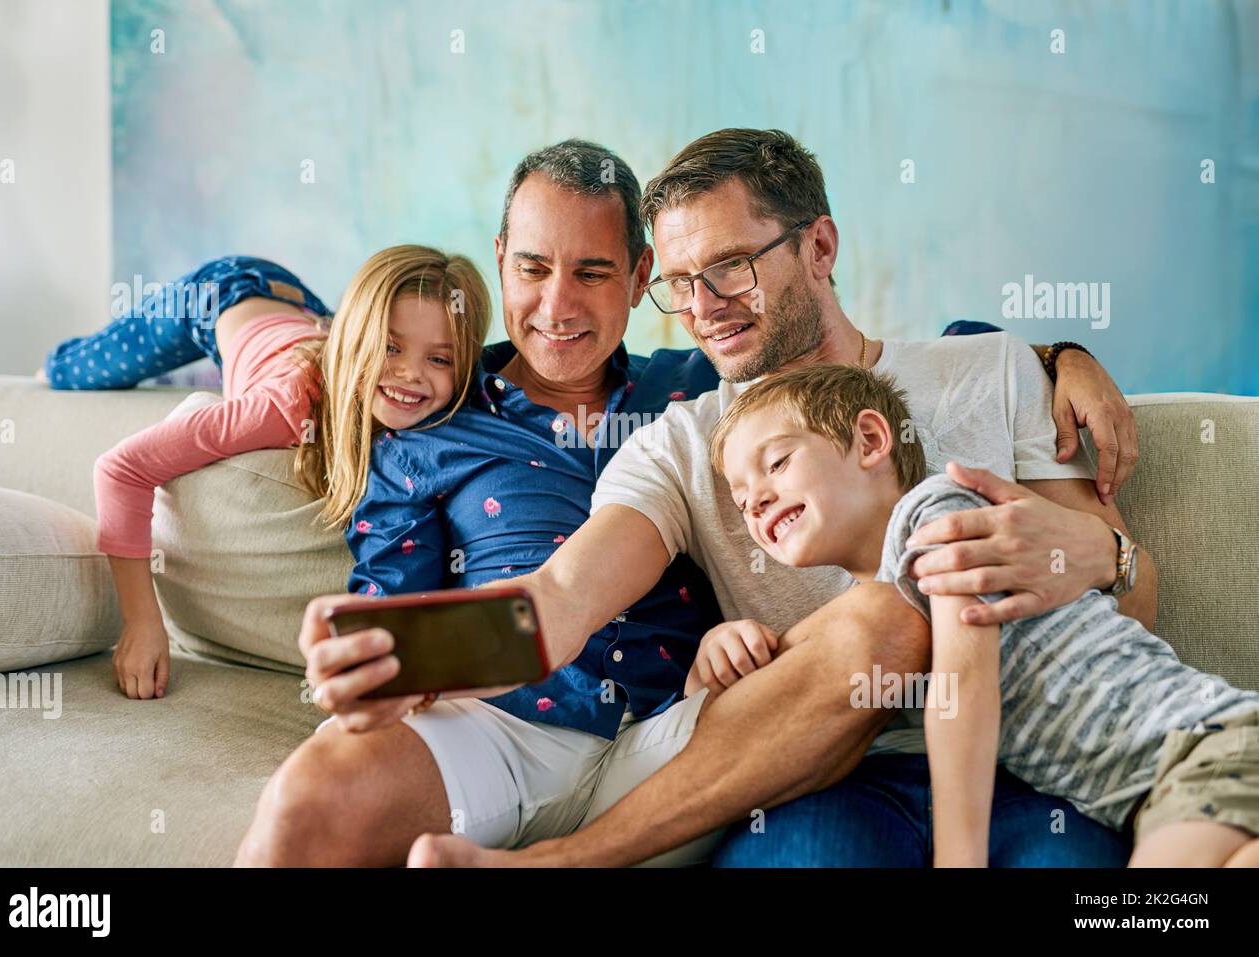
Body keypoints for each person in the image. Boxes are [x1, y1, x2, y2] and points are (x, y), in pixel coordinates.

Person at [238, 132, 1142, 868]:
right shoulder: (685, 434)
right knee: (886, 623)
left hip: (1003, 761)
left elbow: (1134, 603)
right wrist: (404, 648)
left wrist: (1086, 484)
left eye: (732, 268)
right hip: (785, 768)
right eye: (683, 283)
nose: (703, 306)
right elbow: (556, 602)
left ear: (820, 247)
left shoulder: (989, 370)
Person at [706, 363, 1259, 868]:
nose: (754, 500)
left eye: (776, 463)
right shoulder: (883, 605)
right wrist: (727, 652)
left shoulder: (941, 514)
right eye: (739, 498)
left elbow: (963, 687)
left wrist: (958, 860)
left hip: (1200, 747)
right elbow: (818, 706)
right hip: (1164, 787)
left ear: (872, 440)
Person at [43, 247, 491, 699]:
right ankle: (53, 362)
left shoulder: (447, 410)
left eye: (440, 359)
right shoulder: (285, 406)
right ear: (359, 341)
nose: (411, 373)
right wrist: (140, 623)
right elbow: (121, 469)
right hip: (226, 292)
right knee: (71, 370)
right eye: (391, 347)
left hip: (310, 316)